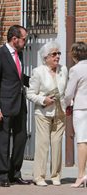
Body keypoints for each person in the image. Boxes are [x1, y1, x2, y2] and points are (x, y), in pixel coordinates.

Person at [0, 25, 30, 187]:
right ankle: (4, 175)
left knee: (21, 138)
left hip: (20, 104)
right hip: (4, 105)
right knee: (3, 141)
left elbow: (19, 77)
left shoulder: (19, 54)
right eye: (23, 39)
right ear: (14, 39)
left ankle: (15, 172)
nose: (25, 42)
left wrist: (37, 80)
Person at [27, 41, 68, 186]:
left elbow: (66, 91)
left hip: (60, 112)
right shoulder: (38, 72)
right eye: (54, 54)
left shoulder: (64, 69)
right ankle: (39, 176)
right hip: (43, 113)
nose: (57, 57)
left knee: (57, 144)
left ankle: (56, 175)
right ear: (46, 57)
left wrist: (69, 103)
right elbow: (30, 94)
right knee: (43, 144)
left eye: (59, 53)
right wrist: (43, 99)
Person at [64, 42, 87, 188]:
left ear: (74, 55)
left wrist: (67, 104)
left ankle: (80, 175)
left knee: (82, 141)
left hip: (81, 108)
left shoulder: (75, 69)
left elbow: (68, 93)